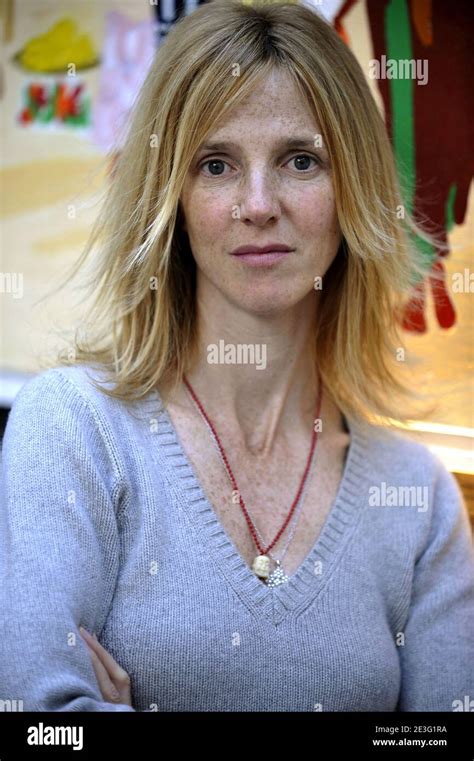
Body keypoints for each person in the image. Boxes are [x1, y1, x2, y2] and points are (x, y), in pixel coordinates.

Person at [1, 0, 473, 713]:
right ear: (172, 196)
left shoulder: (421, 499)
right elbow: (40, 730)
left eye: (300, 160)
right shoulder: (72, 431)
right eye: (216, 164)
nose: (258, 203)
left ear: (352, 191)